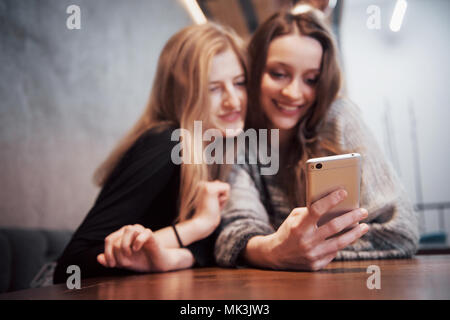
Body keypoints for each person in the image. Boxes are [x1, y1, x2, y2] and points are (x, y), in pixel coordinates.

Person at [214, 6, 419, 271]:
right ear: (253, 72)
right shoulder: (241, 138)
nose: (293, 92)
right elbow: (235, 231)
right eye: (278, 74)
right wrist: (275, 251)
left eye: (311, 79)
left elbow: (400, 231)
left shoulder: (339, 118)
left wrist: (302, 249)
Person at [53, 22, 247, 283]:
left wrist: (181, 256)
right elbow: (70, 267)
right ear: (183, 93)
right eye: (213, 88)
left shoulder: (215, 149)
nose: (233, 101)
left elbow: (202, 250)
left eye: (239, 83)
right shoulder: (166, 143)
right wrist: (197, 226)